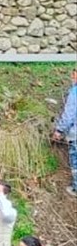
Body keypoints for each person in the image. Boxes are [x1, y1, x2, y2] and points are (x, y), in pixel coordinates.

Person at [53, 67, 77, 197]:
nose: (72, 79)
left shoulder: (74, 92)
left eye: (74, 76)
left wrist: (59, 130)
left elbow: (69, 114)